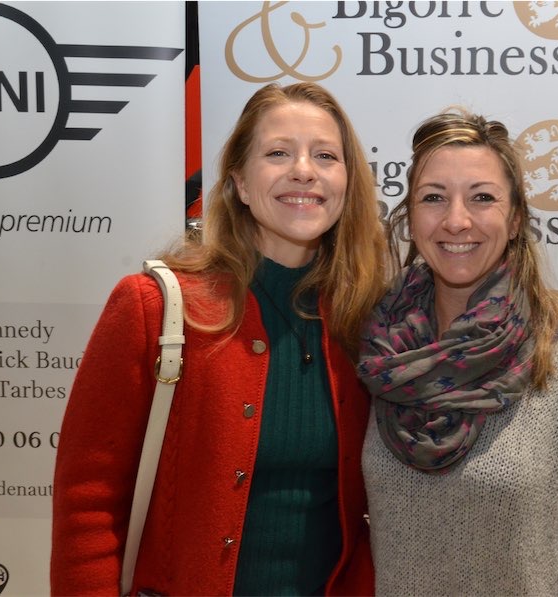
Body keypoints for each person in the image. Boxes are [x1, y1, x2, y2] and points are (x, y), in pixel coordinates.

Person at [51, 82, 387, 596]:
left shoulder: (365, 321)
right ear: (240, 183)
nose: (304, 170)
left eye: (325, 155)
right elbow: (87, 502)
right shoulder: (154, 308)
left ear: (347, 183)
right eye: (278, 153)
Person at [357, 111, 558, 596]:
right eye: (433, 197)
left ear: (515, 221)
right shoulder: (380, 355)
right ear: (410, 218)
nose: (456, 220)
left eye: (482, 197)